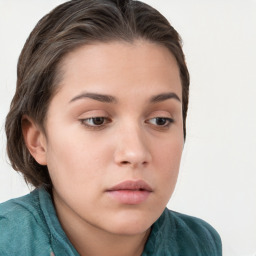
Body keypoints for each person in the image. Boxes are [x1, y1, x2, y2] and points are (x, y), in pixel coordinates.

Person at [0, 0, 222, 255]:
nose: (135, 153)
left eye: (160, 120)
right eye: (96, 120)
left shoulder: (199, 244)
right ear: (37, 139)